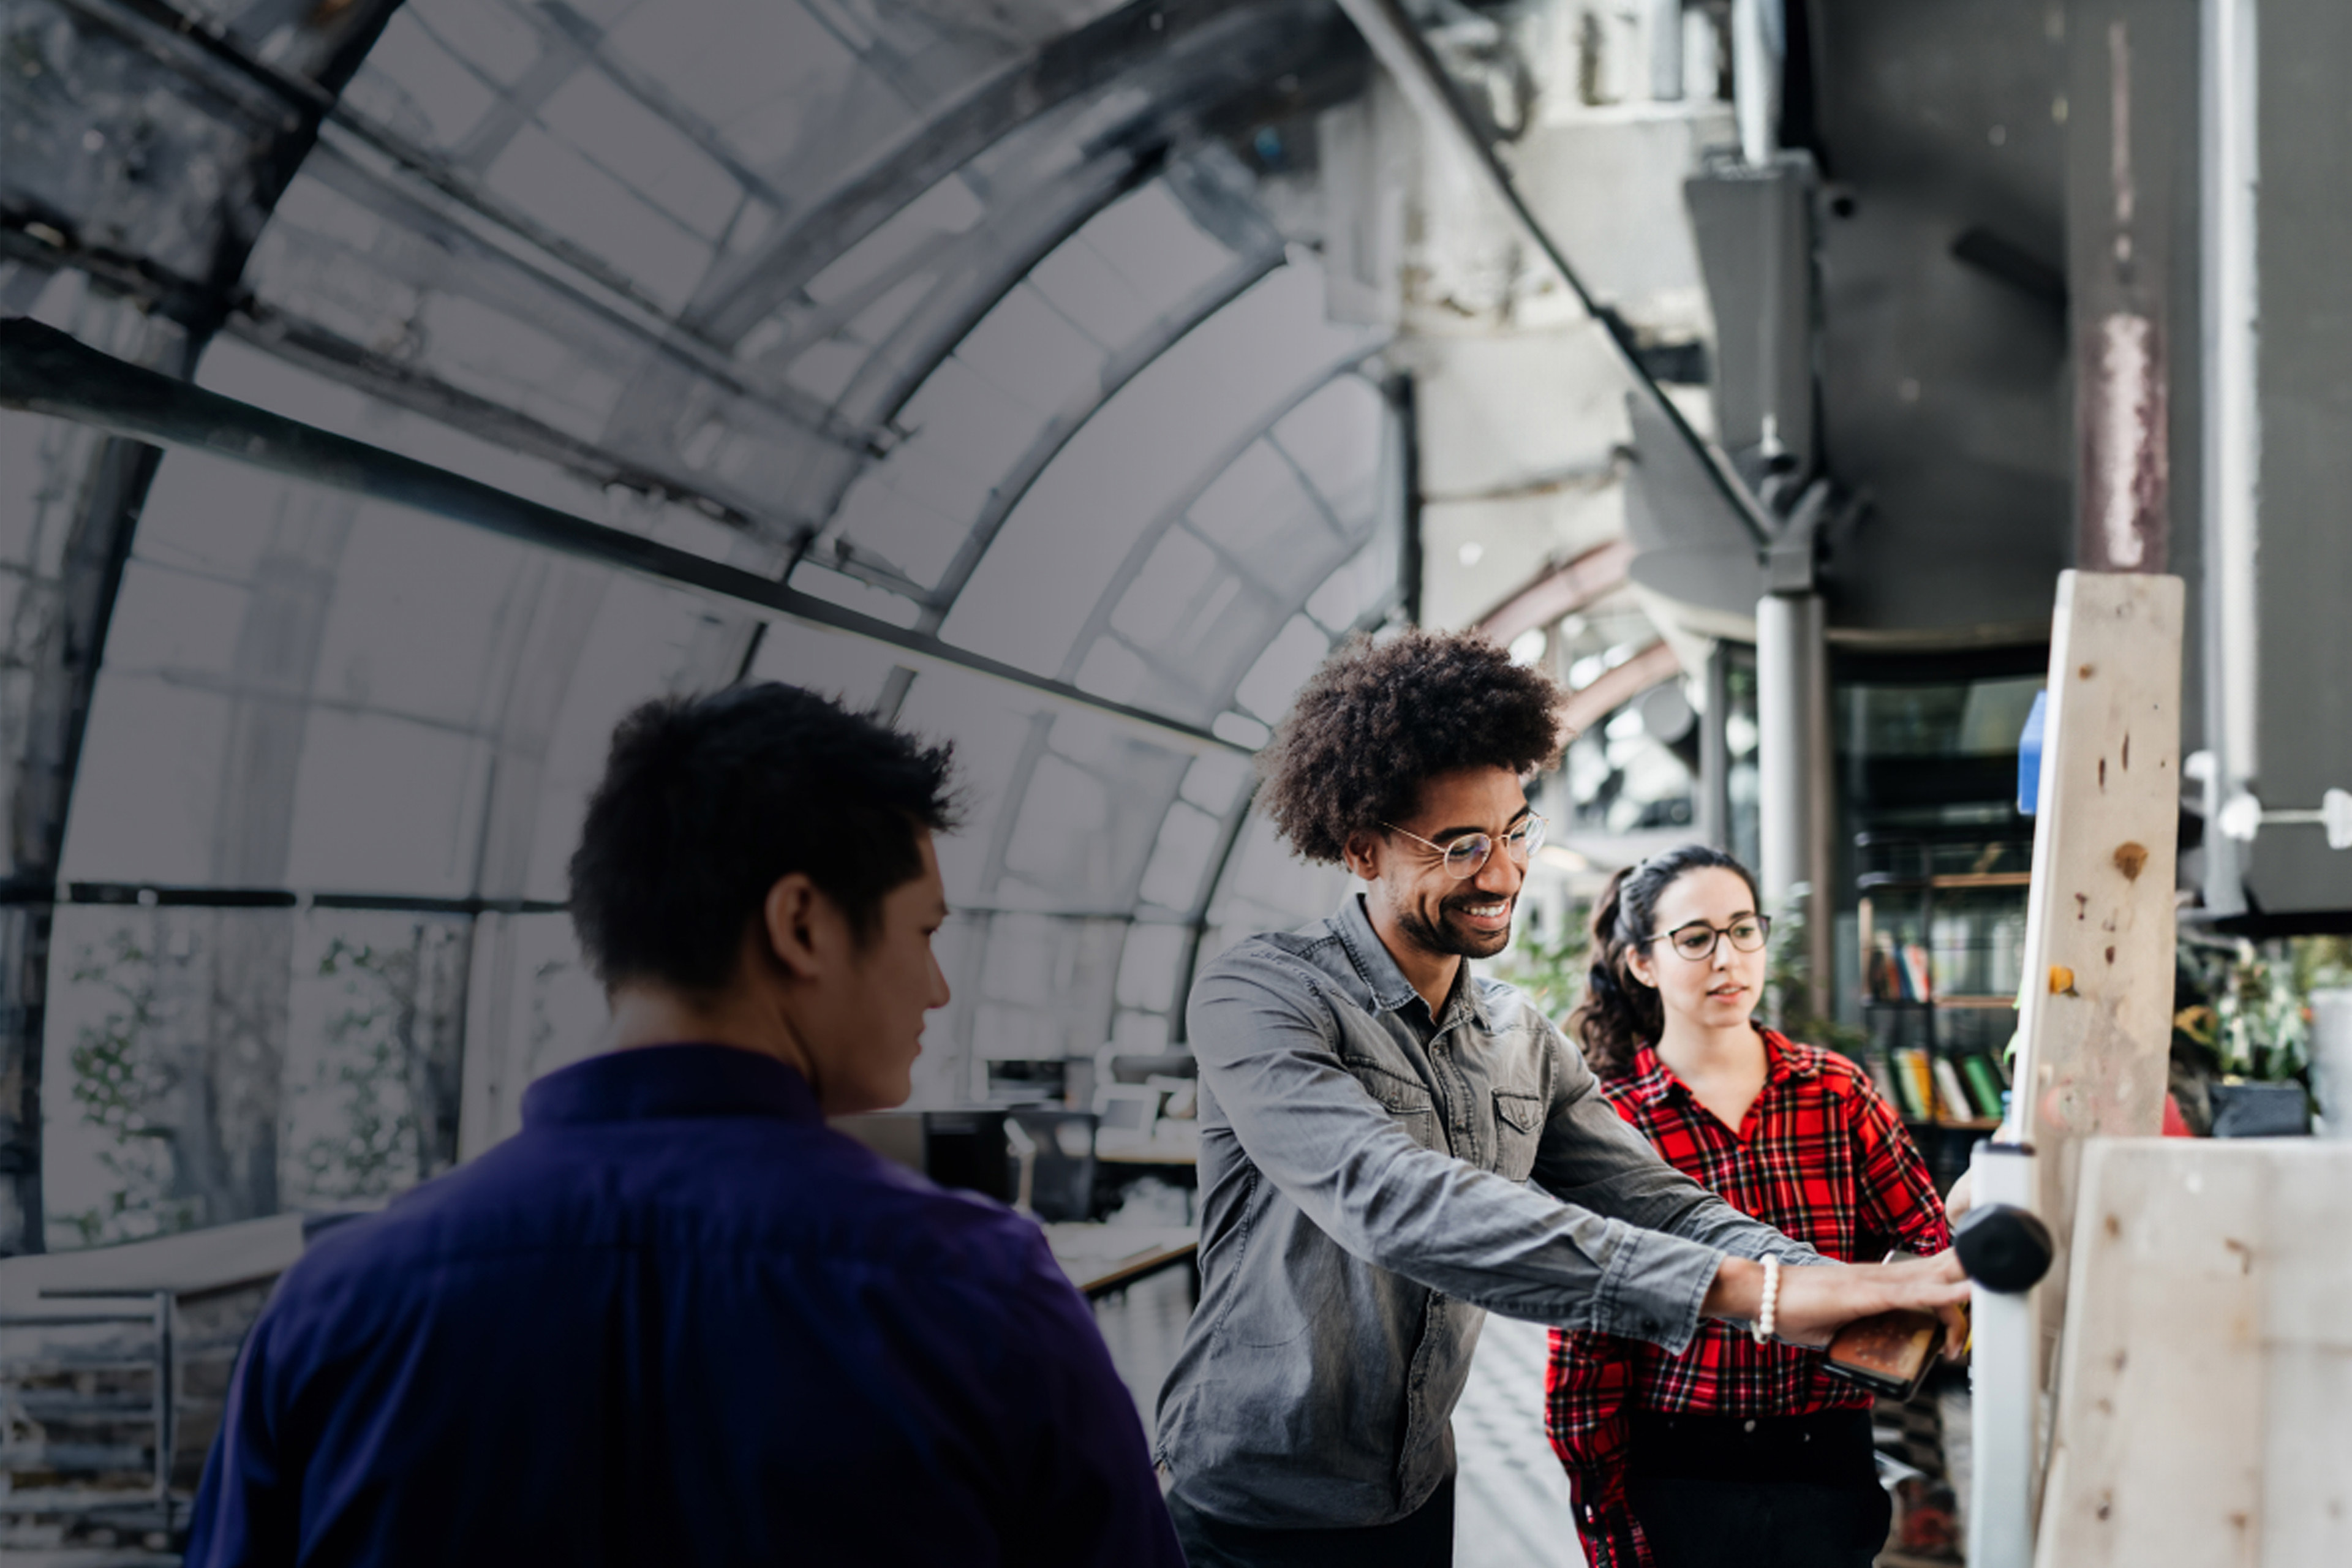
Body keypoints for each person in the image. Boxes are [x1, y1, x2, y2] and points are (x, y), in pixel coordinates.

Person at [182, 684, 1183, 1567]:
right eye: (923, 931)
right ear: (801, 924)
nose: (937, 986)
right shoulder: (978, 1297)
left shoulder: (335, 1313)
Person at [1153, 630, 1968, 1567]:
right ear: (1361, 849)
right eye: (1461, 845)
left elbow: (1659, 1202)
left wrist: (1836, 1289)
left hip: (1415, 1489)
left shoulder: (1517, 1036)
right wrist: (1766, 1294)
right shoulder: (1260, 995)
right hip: (1252, 1505)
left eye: (1515, 831)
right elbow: (1396, 1200)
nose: (1502, 874)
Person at [1544, 845, 1953, 1567]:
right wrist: (1609, 1525)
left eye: (1742, 929)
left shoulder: (1837, 1092)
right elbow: (1587, 1346)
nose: (1728, 959)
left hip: (1829, 1464)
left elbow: (1927, 1240)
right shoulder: (1610, 1123)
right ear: (1643, 962)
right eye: (1695, 939)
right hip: (1679, 1475)